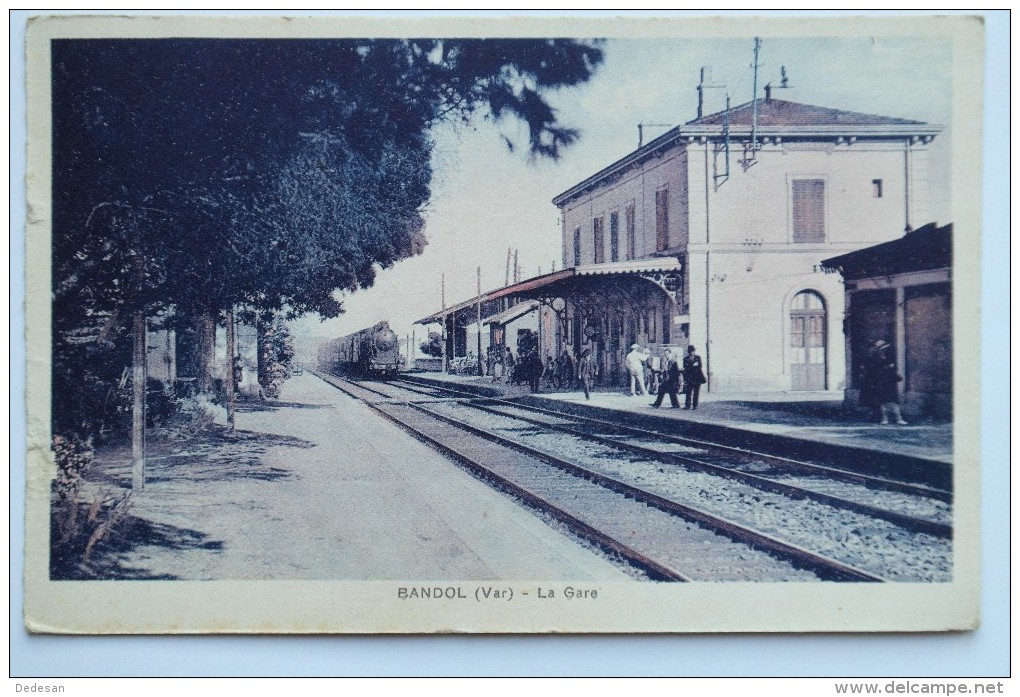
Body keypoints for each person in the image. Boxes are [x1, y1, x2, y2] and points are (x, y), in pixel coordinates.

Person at [861, 339, 908, 425]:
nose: (884, 350)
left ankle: (899, 418)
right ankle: (885, 418)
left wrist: (894, 374)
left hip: (890, 381)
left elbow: (893, 369)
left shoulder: (889, 357)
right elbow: (873, 371)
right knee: (882, 402)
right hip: (881, 382)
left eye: (885, 348)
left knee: (894, 401)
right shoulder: (876, 359)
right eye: (883, 349)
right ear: (879, 349)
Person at [682, 345, 707, 409]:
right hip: (689, 378)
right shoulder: (685, 359)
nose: (692, 352)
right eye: (691, 351)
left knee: (696, 393)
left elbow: (700, 366)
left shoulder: (698, 358)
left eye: (693, 351)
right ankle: (687, 405)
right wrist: (693, 366)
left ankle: (695, 405)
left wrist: (691, 366)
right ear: (689, 352)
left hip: (697, 378)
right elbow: (686, 368)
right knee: (688, 392)